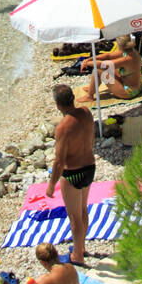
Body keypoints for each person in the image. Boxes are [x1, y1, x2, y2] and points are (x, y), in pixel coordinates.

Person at [46, 84, 95, 267]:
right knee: (82, 210)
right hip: (90, 167)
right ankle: (81, 248)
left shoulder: (63, 128)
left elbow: (59, 161)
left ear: (58, 105)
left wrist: (51, 185)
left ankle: (78, 256)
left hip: (72, 173)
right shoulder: (86, 113)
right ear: (73, 98)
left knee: (74, 216)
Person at [81, 33, 142, 102]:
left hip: (130, 92)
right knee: (109, 68)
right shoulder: (132, 51)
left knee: (98, 70)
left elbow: (104, 65)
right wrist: (89, 59)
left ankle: (89, 96)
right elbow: (108, 56)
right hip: (138, 86)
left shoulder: (127, 59)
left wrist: (86, 63)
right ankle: (92, 88)